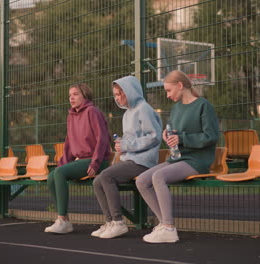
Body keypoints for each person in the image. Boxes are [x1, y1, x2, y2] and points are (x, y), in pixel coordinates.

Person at [135, 70, 219, 243]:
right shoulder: (176, 108)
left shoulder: (204, 106)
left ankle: (169, 228)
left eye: (169, 90)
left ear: (180, 86)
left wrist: (182, 138)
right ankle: (164, 223)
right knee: (142, 181)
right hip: (177, 158)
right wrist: (168, 136)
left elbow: (211, 137)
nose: (167, 95)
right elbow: (175, 133)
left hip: (197, 160)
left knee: (158, 176)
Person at [92, 76, 162, 239]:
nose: (117, 98)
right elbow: (131, 140)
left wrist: (127, 146)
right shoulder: (127, 114)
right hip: (131, 159)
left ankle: (118, 222)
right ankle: (110, 222)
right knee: (97, 181)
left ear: (130, 92)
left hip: (144, 161)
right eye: (115, 95)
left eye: (119, 94)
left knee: (107, 176)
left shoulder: (144, 109)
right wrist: (122, 145)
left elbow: (154, 136)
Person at [45, 83, 111, 234]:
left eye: (75, 94)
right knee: (52, 177)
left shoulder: (92, 111)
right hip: (82, 161)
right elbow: (69, 143)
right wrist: (62, 164)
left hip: (97, 161)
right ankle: (65, 220)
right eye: (70, 95)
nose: (71, 97)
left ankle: (62, 220)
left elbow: (102, 139)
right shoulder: (71, 116)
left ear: (85, 95)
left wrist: (95, 162)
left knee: (60, 173)